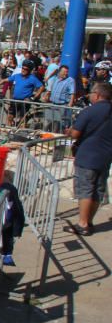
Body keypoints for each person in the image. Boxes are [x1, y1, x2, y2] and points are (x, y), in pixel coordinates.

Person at [69, 83, 112, 239]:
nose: (90, 96)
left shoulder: (90, 111)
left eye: (91, 93)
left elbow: (75, 133)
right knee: (97, 192)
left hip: (88, 156)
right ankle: (89, 221)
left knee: (85, 190)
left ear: (98, 95)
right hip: (106, 157)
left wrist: (69, 131)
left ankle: (82, 224)